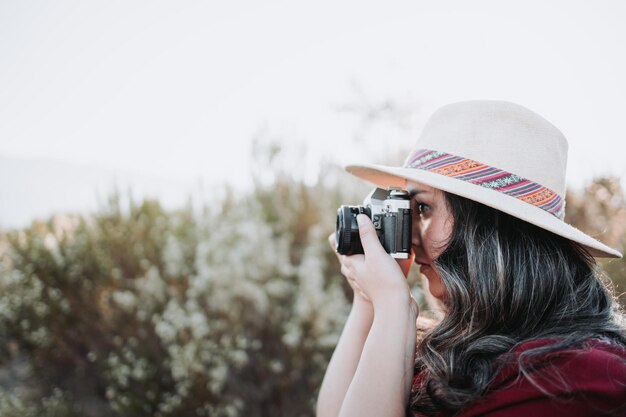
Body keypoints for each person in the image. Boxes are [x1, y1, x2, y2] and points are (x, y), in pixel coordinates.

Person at [316, 100, 626, 417]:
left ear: (487, 229)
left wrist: (394, 306)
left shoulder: (577, 379)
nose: (411, 239)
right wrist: (368, 300)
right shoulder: (466, 347)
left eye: (422, 209)